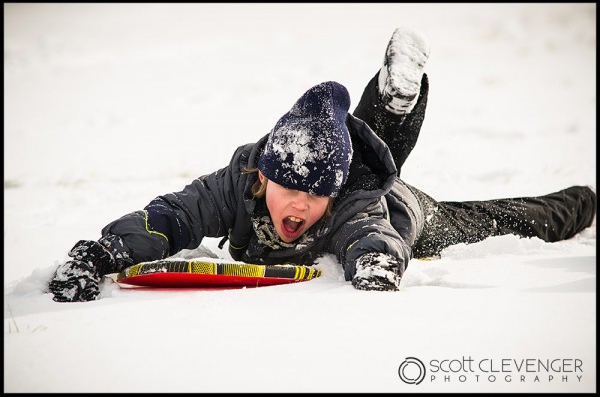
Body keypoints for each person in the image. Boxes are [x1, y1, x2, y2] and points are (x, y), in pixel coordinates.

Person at [48, 27, 596, 302]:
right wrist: (105, 252)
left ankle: (583, 202)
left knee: (503, 219)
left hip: (402, 211)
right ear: (262, 177)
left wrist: (376, 266)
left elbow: (369, 234)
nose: (303, 206)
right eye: (291, 190)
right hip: (346, 175)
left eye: (316, 196)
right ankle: (386, 102)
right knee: (347, 147)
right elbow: (171, 217)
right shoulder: (236, 183)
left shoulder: (345, 206)